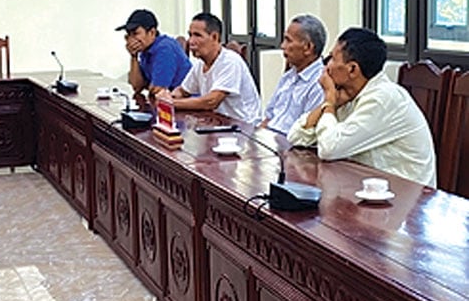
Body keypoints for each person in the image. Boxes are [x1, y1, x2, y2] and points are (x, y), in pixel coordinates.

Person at [287, 27, 436, 187]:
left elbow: (329, 149)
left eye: (332, 59)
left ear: (352, 69)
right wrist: (332, 104)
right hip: (368, 188)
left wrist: (330, 102)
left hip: (409, 199)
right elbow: (296, 137)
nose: (326, 68)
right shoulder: (350, 93)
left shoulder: (383, 98)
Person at [169, 12, 262, 124]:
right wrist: (170, 96)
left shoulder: (230, 62)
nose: (191, 42)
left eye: (197, 35)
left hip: (243, 128)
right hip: (217, 123)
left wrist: (172, 103)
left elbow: (211, 101)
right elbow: (183, 90)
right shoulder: (200, 64)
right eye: (190, 35)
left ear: (215, 37)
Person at [260, 15, 327, 133]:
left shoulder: (320, 83)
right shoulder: (289, 76)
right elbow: (269, 117)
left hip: (290, 146)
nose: (282, 46)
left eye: (288, 40)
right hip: (270, 139)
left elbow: (306, 132)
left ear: (308, 47)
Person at [116, 8, 191, 110]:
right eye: (128, 35)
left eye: (135, 33)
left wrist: (149, 86)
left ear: (152, 32)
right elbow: (137, 87)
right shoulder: (145, 50)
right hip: (167, 105)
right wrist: (133, 56)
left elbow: (158, 90)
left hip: (186, 107)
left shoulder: (165, 48)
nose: (131, 39)